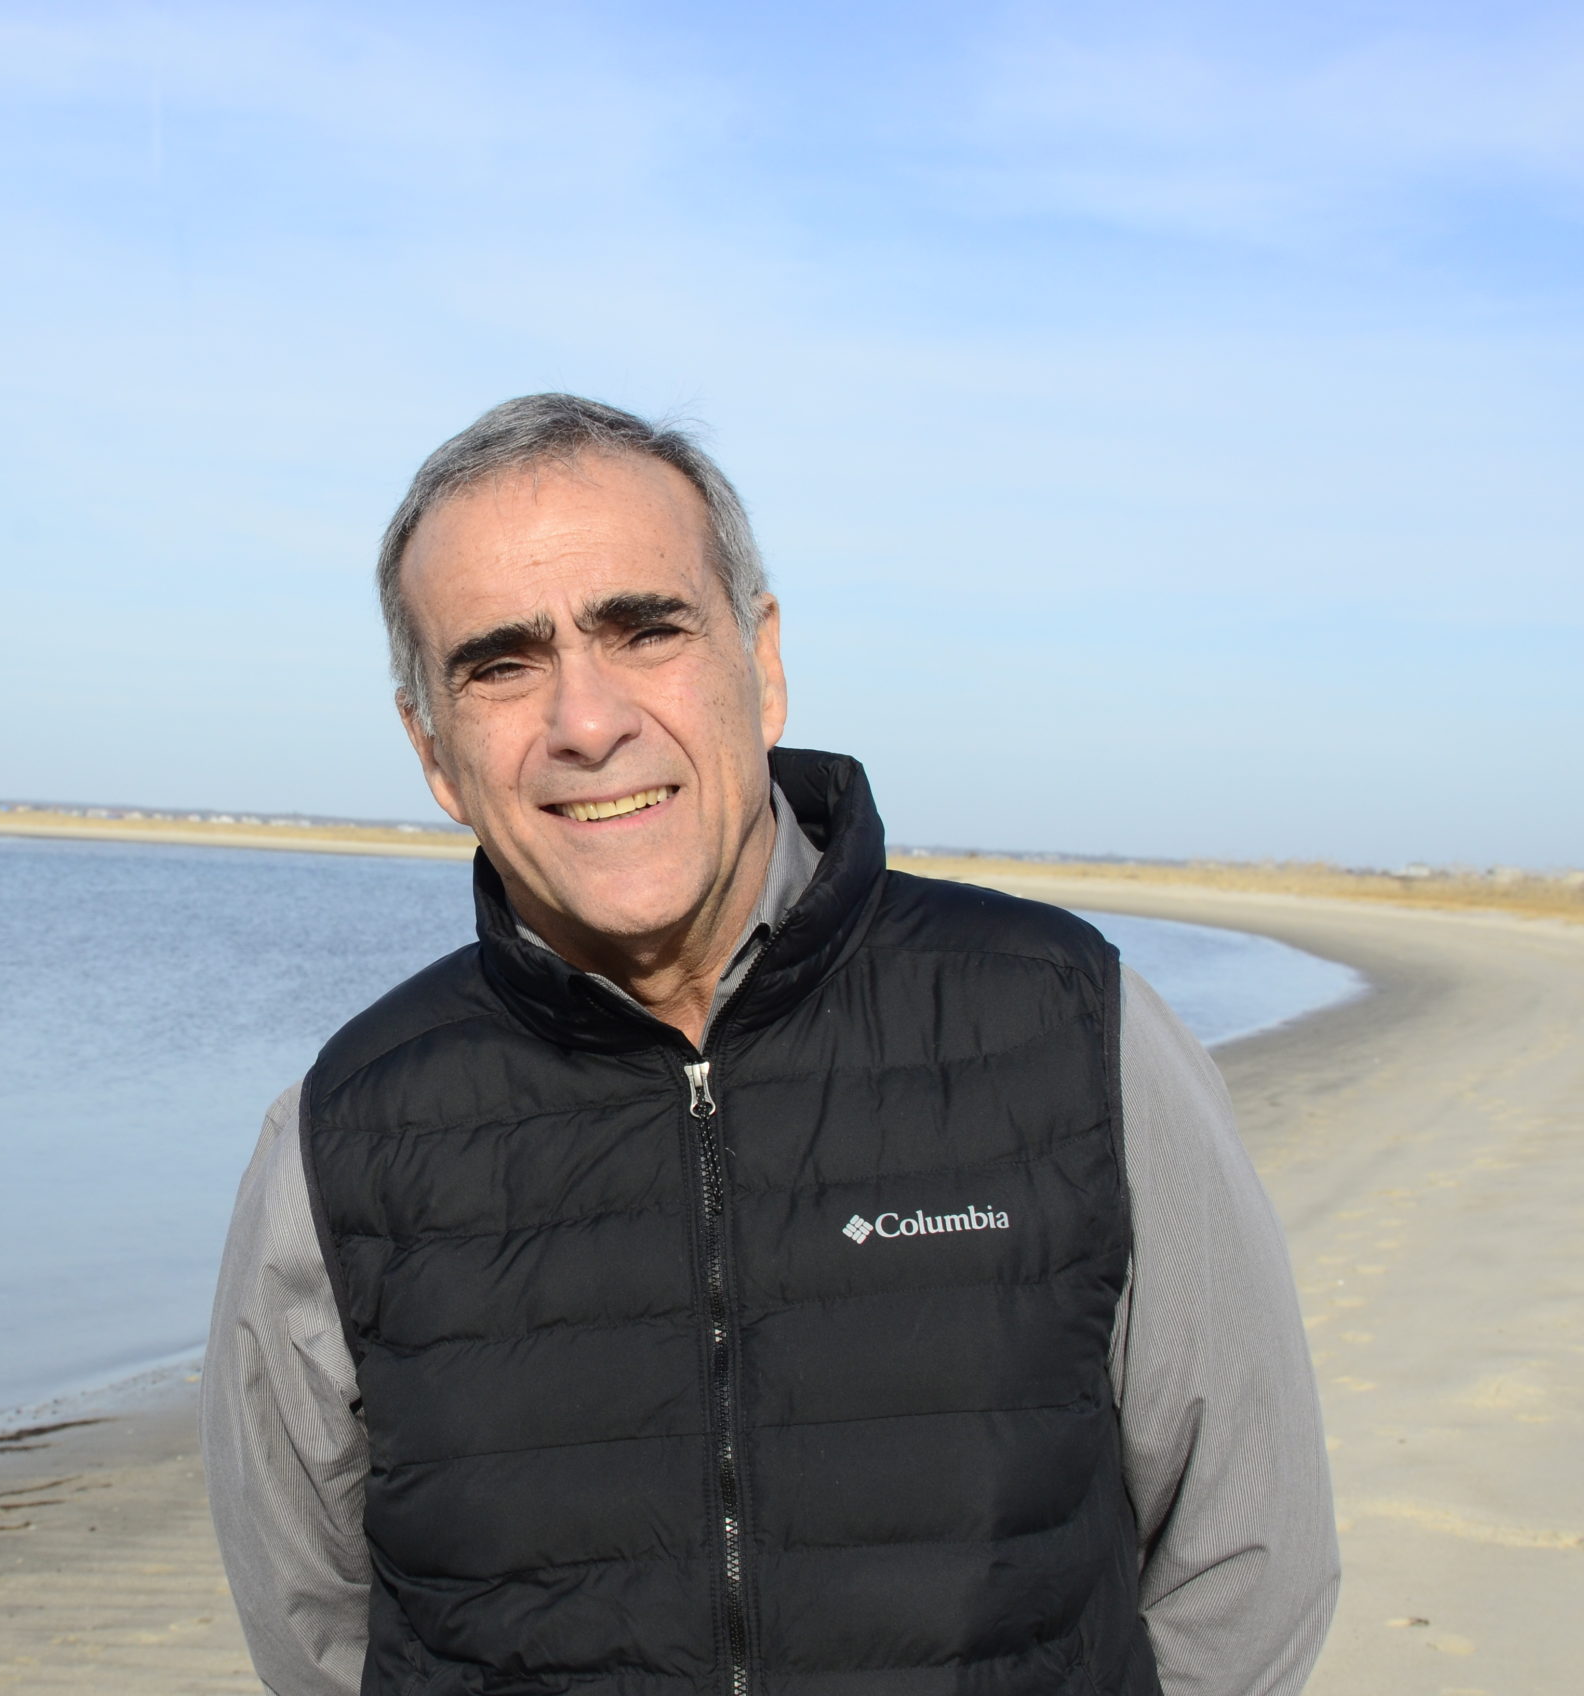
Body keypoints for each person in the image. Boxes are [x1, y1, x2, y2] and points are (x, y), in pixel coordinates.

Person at [202, 394, 1338, 1696]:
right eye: (501, 663)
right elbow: (316, 1631)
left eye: (644, 629)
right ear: (434, 752)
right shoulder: (338, 1137)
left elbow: (1251, 1556)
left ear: (763, 656)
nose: (586, 721)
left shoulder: (1072, 1029)